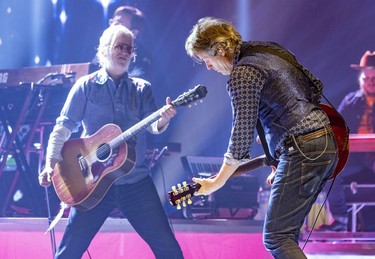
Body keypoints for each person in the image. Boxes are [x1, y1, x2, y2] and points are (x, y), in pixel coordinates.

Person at [185, 17, 338, 258]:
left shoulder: (243, 73)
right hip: (324, 143)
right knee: (286, 235)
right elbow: (315, 87)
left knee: (277, 238)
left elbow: (241, 136)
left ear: (221, 49)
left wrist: (216, 182)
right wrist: (282, 155)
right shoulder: (271, 50)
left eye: (207, 60)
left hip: (303, 148)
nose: (209, 68)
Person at [38, 24, 183, 258]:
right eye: (119, 46)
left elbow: (154, 127)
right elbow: (62, 127)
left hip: (136, 183)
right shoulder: (85, 86)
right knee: (68, 252)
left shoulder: (141, 89)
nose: (125, 52)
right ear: (105, 49)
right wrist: (50, 163)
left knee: (169, 250)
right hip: (92, 183)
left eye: (129, 48)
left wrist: (164, 119)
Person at [318, 50, 375, 231]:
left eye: (374, 78)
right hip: (357, 161)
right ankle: (341, 220)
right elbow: (336, 129)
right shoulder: (351, 101)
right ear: (361, 79)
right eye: (367, 79)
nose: (370, 83)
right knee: (328, 167)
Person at [91, 5, 152, 80]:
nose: (112, 26)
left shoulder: (141, 56)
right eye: (112, 22)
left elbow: (137, 80)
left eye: (118, 24)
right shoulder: (104, 49)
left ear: (134, 33)